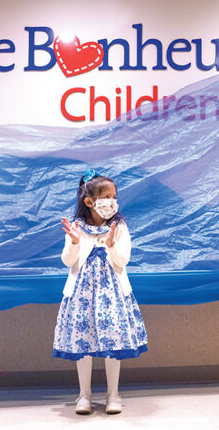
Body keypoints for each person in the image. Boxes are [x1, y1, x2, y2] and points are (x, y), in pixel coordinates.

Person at [53, 170, 148, 415]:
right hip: (82, 295)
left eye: (114, 196)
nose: (112, 201)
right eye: (106, 196)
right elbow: (68, 261)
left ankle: (113, 395)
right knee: (83, 342)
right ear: (89, 201)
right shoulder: (76, 228)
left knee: (112, 340)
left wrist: (112, 245)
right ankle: (84, 395)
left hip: (112, 294)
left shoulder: (119, 227)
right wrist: (74, 242)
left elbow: (122, 260)